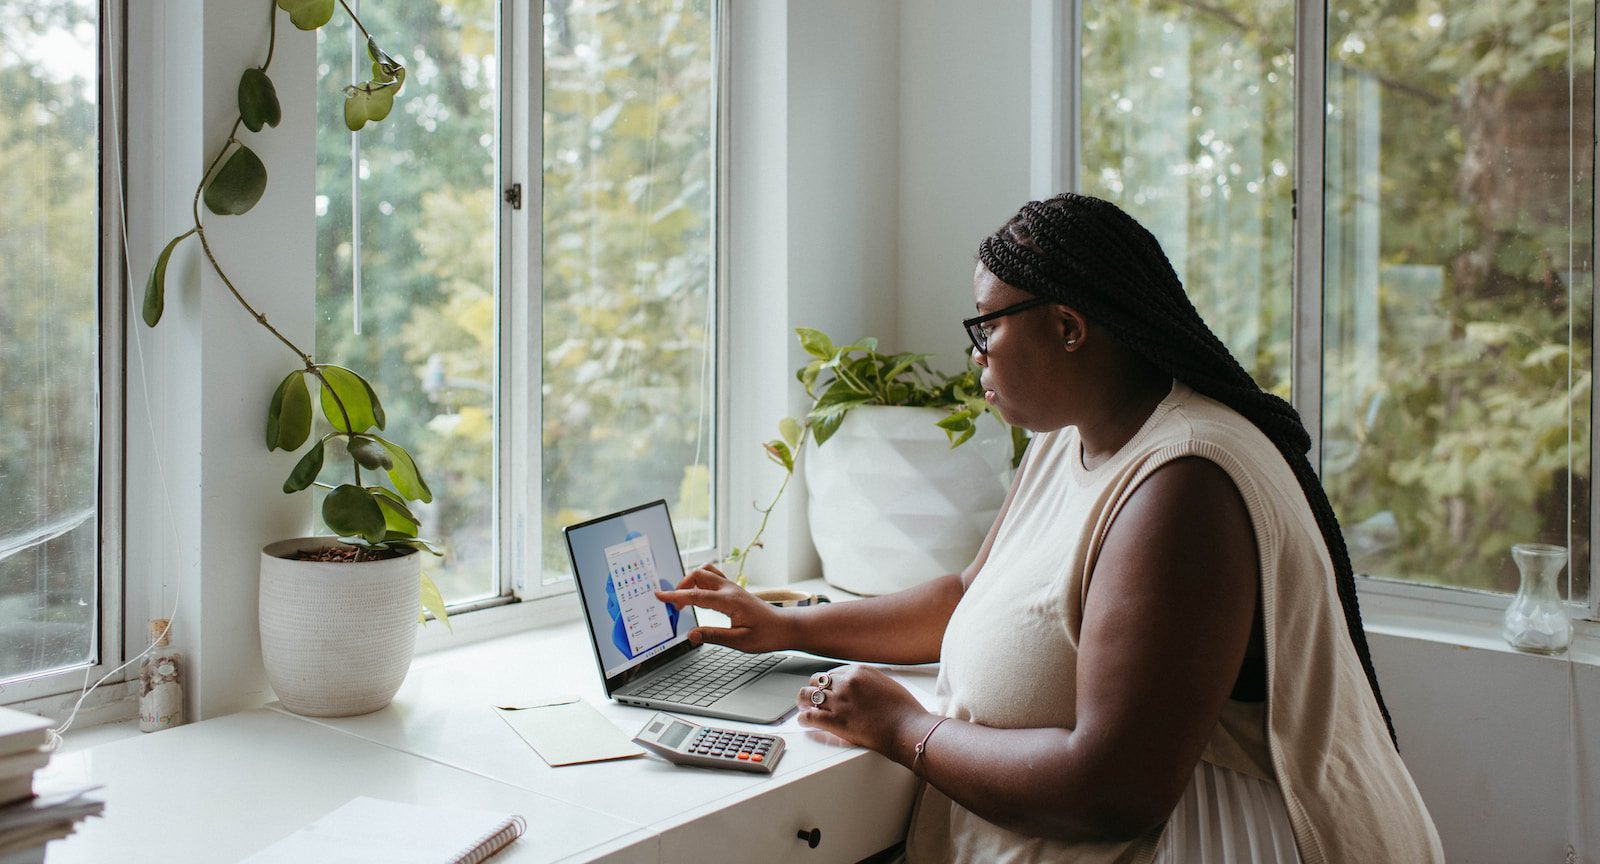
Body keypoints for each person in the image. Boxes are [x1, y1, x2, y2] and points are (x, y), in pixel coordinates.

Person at [656, 193, 1443, 863]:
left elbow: (1113, 792)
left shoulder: (1184, 485)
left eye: (986, 329)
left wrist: (903, 728)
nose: (976, 359)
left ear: (1068, 326)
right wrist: (789, 625)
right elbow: (967, 595)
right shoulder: (1068, 438)